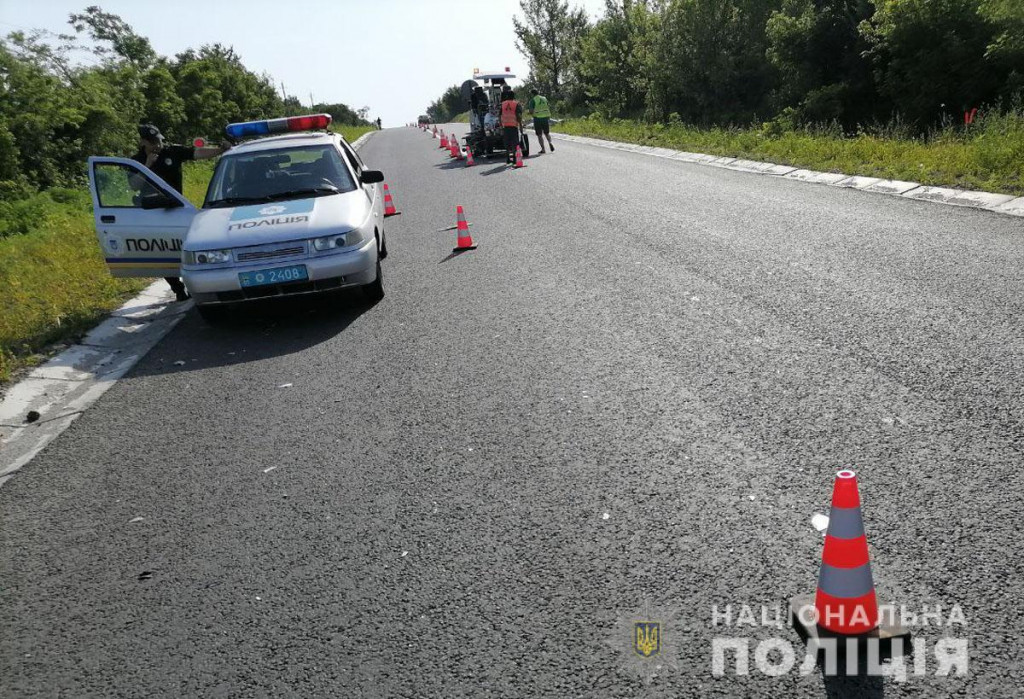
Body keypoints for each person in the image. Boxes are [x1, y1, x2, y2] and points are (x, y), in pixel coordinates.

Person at [132, 124, 226, 301]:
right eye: (152, 142)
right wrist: (147, 165)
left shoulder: (172, 152)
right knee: (163, 252)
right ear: (143, 141)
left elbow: (197, 153)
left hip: (176, 209)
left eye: (158, 140)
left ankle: (191, 282)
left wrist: (220, 149)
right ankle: (177, 289)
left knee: (183, 247)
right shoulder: (136, 160)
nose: (157, 145)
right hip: (152, 212)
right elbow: (133, 186)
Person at [500, 89, 524, 165]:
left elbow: (499, 115)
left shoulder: (503, 104)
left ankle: (507, 158)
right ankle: (514, 157)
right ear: (514, 96)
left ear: (507, 96)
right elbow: (519, 116)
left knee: (507, 143)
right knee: (515, 143)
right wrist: (521, 126)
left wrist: (501, 125)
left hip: (505, 126)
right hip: (513, 126)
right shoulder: (516, 104)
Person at [527, 88, 555, 154]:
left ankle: (543, 149)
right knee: (547, 133)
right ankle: (550, 142)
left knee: (539, 135)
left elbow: (531, 111)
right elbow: (547, 106)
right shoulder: (544, 98)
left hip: (537, 119)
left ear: (532, 94)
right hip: (545, 118)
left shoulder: (532, 100)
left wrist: (529, 113)